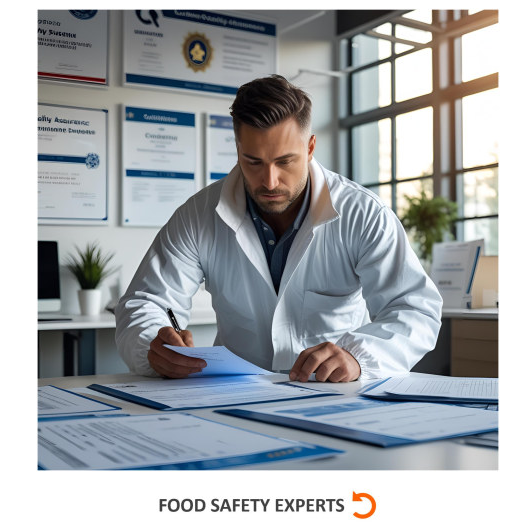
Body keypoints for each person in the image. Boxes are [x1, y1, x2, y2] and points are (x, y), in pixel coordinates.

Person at [115, 75, 443, 382]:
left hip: (332, 395)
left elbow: (414, 310)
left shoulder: (362, 213)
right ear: (238, 150)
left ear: (310, 147)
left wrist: (359, 358)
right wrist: (152, 346)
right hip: (232, 397)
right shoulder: (198, 215)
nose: (269, 181)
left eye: (285, 161)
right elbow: (145, 302)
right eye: (253, 162)